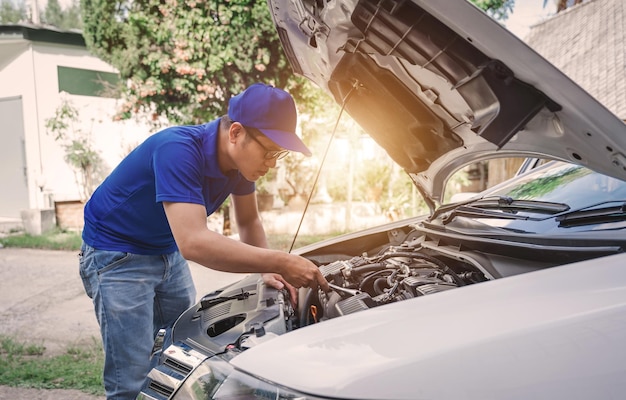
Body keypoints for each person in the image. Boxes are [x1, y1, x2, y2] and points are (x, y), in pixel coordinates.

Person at [78, 82, 330, 400]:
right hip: (116, 254)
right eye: (269, 150)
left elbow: (249, 221)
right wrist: (279, 260)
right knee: (130, 380)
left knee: (178, 357)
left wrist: (268, 270)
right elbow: (194, 242)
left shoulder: (239, 165)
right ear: (236, 133)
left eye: (278, 153)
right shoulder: (178, 150)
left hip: (164, 249)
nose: (273, 163)